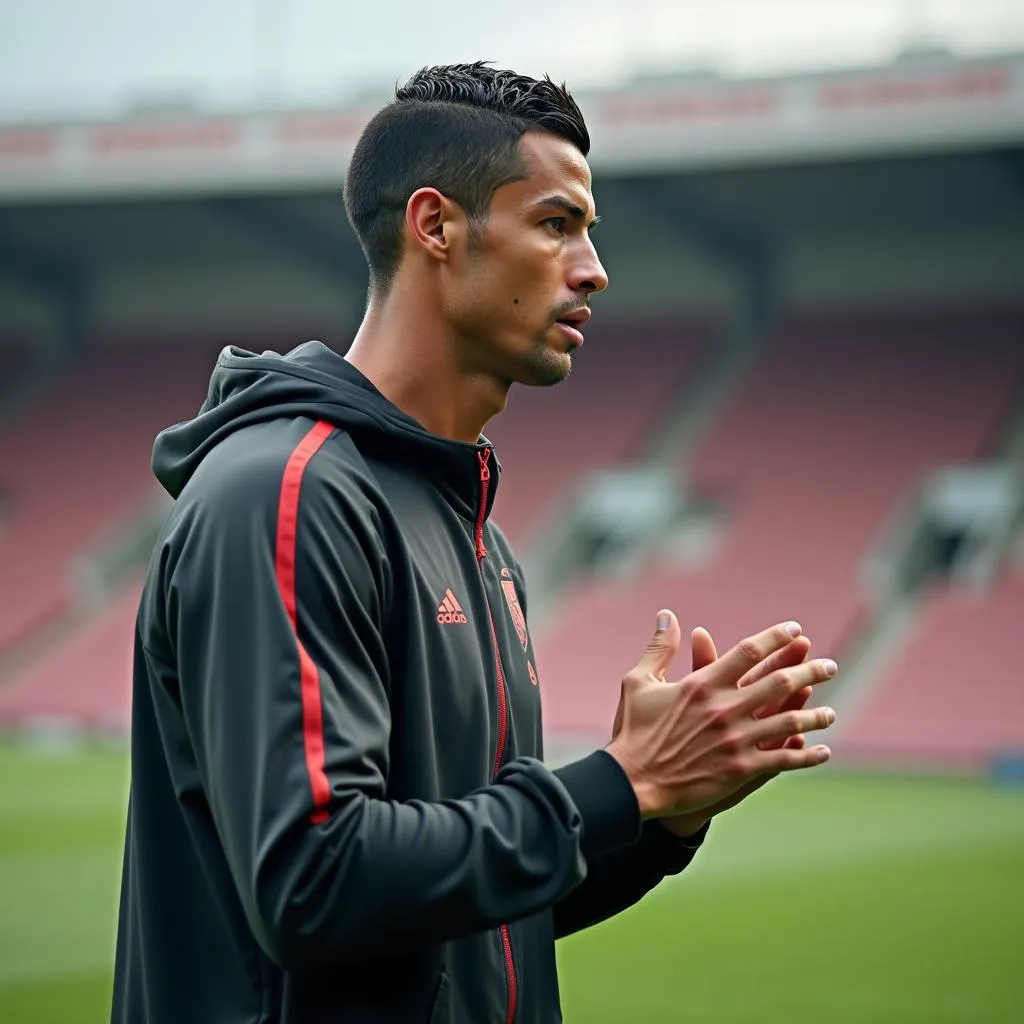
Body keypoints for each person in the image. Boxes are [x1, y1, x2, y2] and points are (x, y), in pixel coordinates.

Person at [110, 62, 838, 1024]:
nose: (593, 268)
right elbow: (314, 882)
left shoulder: (482, 543)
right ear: (436, 226)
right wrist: (620, 779)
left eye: (589, 231)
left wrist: (659, 815)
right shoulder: (287, 494)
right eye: (555, 223)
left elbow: (476, 915)